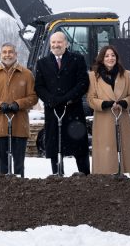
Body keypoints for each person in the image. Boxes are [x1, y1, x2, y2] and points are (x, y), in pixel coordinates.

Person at [35, 31, 90, 175]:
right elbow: (39, 86)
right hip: (53, 111)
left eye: (59, 42)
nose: (55, 45)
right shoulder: (42, 63)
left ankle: (85, 176)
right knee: (54, 145)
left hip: (73, 111)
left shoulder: (78, 59)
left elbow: (83, 83)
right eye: (53, 42)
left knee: (79, 146)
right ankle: (57, 176)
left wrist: (67, 98)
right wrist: (50, 99)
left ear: (66, 44)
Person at [0, 42, 37, 177]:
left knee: (19, 166)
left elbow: (34, 97)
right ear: (0, 54)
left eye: (10, 52)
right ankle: (2, 193)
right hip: (0, 124)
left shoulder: (27, 74)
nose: (7, 55)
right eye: (4, 52)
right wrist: (0, 105)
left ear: (16, 54)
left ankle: (20, 192)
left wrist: (19, 104)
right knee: (2, 166)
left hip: (20, 124)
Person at [87, 45, 130, 174]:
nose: (110, 58)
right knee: (105, 155)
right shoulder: (93, 76)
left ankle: (125, 173)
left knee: (125, 150)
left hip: (122, 117)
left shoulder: (126, 75)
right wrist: (105, 104)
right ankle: (105, 177)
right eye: (107, 56)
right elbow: (91, 99)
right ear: (102, 59)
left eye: (113, 55)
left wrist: (124, 102)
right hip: (103, 119)